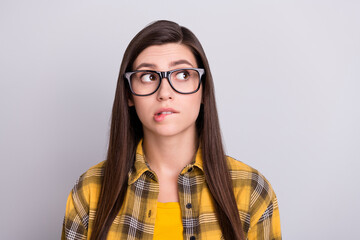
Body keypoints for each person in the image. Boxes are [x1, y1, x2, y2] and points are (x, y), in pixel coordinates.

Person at [62, 20, 281, 240]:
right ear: (129, 94)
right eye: (148, 77)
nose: (165, 93)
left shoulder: (251, 191)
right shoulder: (89, 191)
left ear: (203, 89)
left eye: (183, 74)